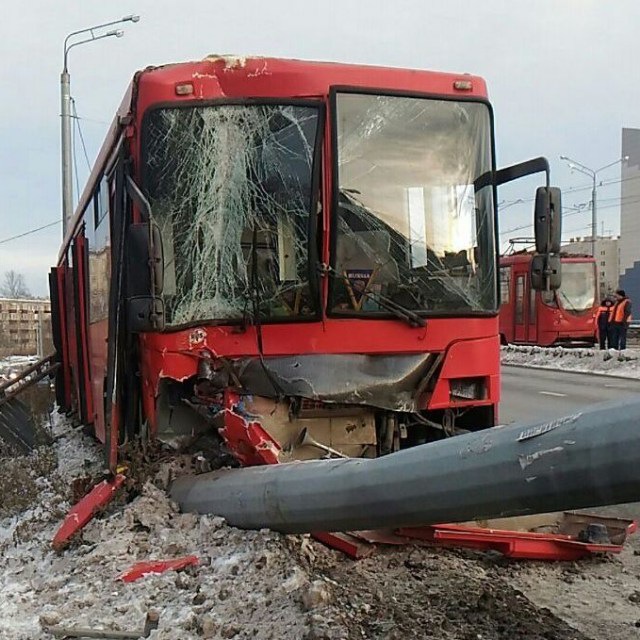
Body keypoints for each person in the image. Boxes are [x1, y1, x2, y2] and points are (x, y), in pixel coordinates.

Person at [609, 289, 632, 355]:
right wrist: (611, 321)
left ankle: (623, 351)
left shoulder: (626, 302)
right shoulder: (617, 302)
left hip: (622, 323)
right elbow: (614, 313)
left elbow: (627, 313)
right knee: (614, 338)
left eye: (616, 295)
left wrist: (624, 322)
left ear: (620, 295)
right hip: (615, 323)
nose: (615, 297)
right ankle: (615, 351)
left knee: (622, 338)